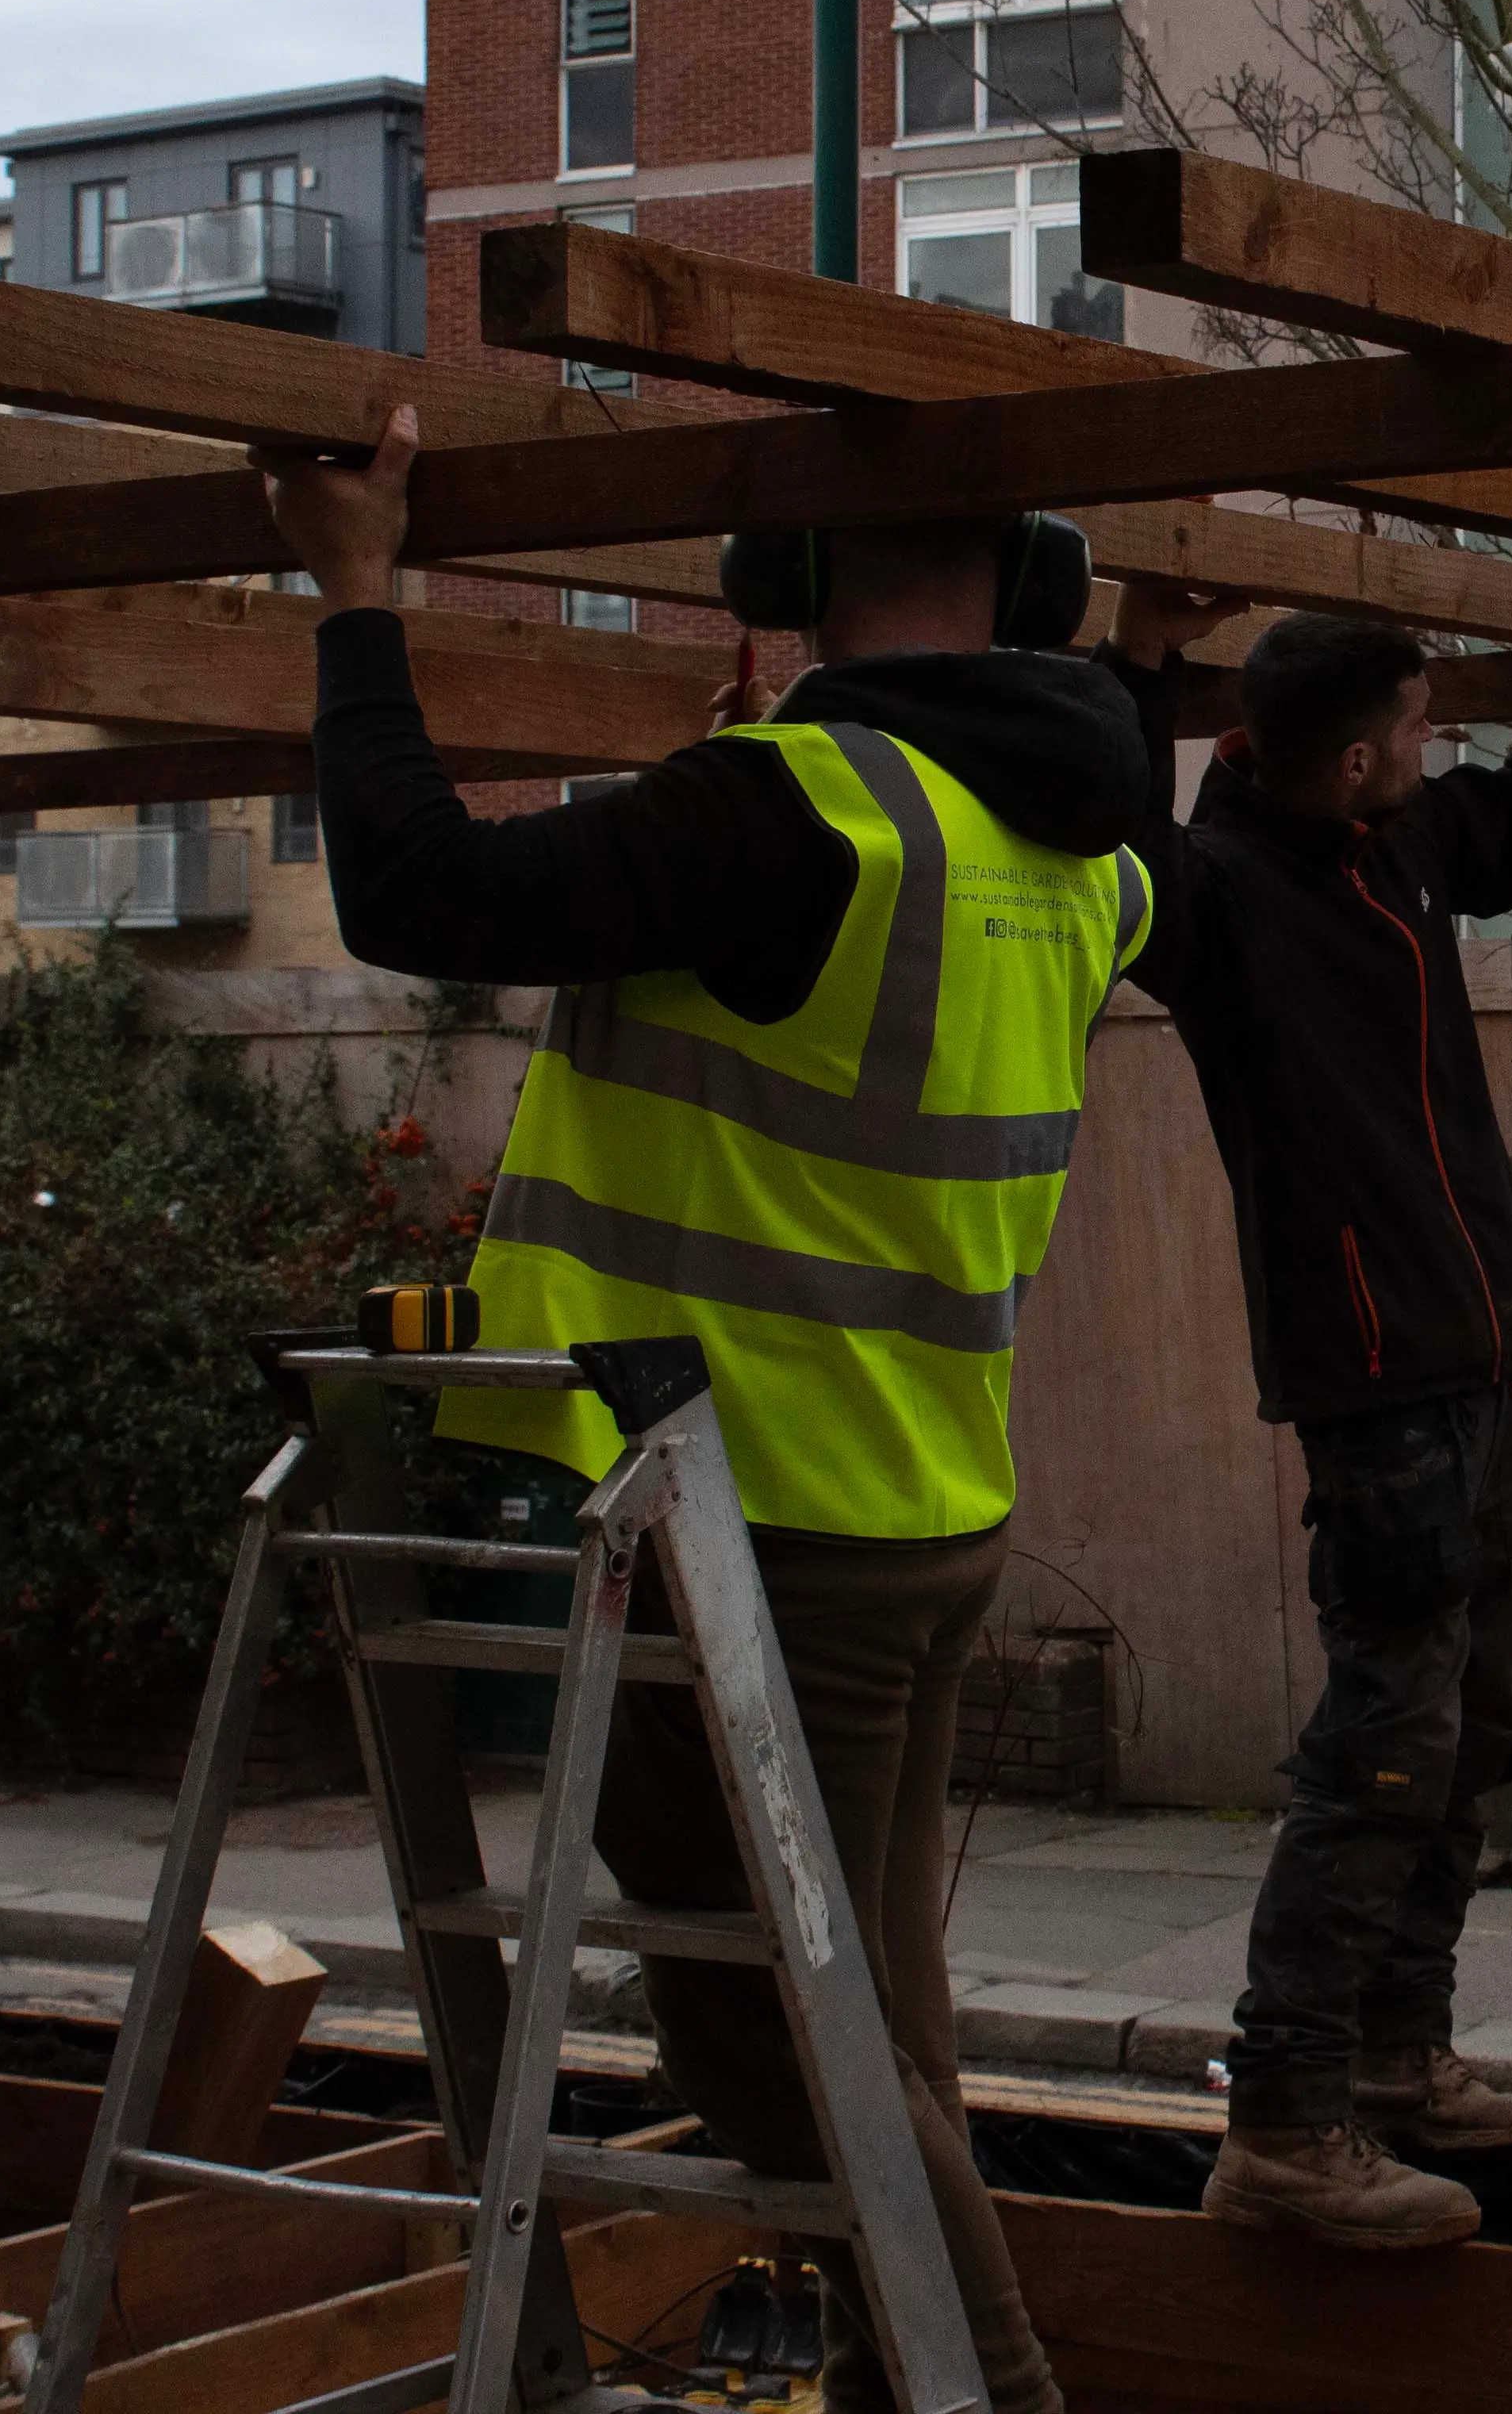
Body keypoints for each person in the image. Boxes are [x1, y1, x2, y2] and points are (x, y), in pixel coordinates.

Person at [262, 406, 1150, 2414]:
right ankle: (886, 2375)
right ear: (1027, 591)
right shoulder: (1074, 852)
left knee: (769, 2038)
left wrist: (353, 589)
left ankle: (987, 2387)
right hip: (925, 1505)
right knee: (878, 2030)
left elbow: (416, 885)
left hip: (760, 1532)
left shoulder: (786, 814)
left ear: (784, 580)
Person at [1103, 570, 1512, 2251]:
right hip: (1384, 1401)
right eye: (1419, 723)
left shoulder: (1400, 854)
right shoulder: (1223, 904)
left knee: (1474, 1735)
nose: (1441, 738)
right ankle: (1283, 2122)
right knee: (1382, 1759)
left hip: (1485, 1381)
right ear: (1347, 759)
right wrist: (1135, 663)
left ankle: (1402, 2062)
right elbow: (1114, 855)